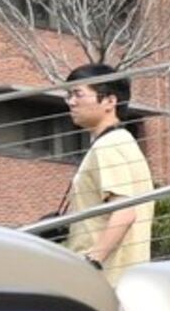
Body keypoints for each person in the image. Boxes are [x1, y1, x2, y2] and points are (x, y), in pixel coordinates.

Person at [56, 65, 155, 277]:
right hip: (119, 277)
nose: (71, 102)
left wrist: (92, 262)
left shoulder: (109, 146)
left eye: (78, 94)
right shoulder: (120, 141)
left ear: (110, 101)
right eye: (69, 95)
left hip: (106, 278)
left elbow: (125, 212)